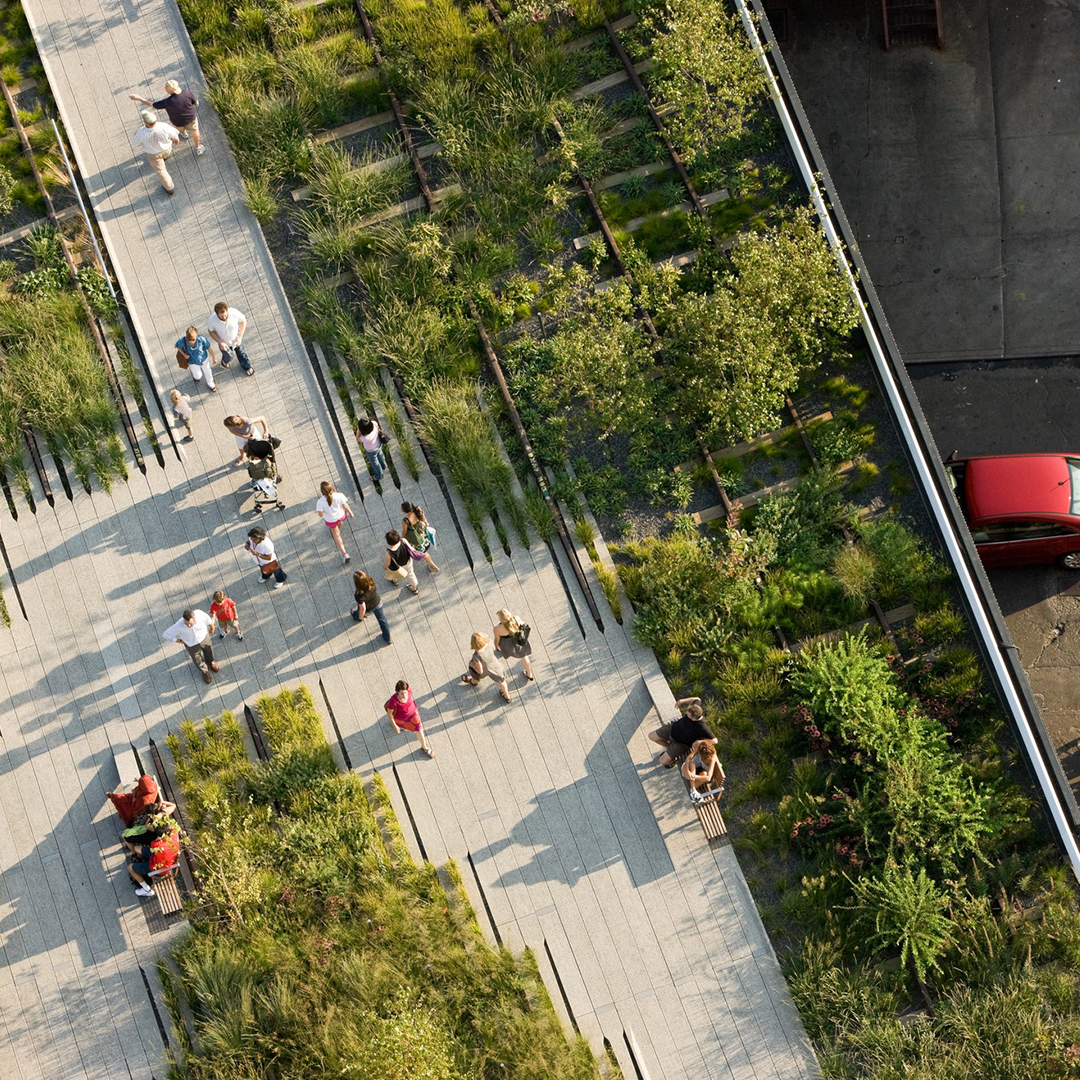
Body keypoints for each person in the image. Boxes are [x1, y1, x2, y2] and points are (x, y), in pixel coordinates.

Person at [129, 79, 204, 154]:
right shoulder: (187, 92)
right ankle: (198, 147)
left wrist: (139, 98)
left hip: (177, 122)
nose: (164, 88)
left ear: (170, 90)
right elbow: (196, 103)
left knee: (180, 129)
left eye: (166, 87)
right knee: (195, 131)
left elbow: (152, 104)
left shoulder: (167, 102)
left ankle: (184, 134)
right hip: (191, 119)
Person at [648, 696, 715, 768]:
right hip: (671, 729)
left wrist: (700, 742)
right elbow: (697, 699)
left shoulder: (702, 727)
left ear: (694, 719)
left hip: (680, 744)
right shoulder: (696, 708)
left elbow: (714, 740)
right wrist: (682, 701)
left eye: (688, 715)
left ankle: (674, 760)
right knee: (651, 736)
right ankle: (668, 747)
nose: (686, 714)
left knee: (662, 761)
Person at [127, 818, 181, 897]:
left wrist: (148, 828)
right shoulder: (174, 834)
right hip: (165, 859)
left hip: (157, 868)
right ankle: (142, 865)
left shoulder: (157, 845)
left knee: (129, 867)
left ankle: (146, 889)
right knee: (136, 848)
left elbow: (153, 845)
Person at [161, 608, 218, 684]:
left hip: (204, 637)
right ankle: (205, 671)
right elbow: (166, 634)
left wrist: (212, 627)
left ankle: (211, 662)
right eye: (186, 623)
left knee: (209, 650)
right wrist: (178, 641)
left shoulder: (199, 614)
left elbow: (207, 619)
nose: (189, 625)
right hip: (191, 644)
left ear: (194, 618)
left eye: (191, 623)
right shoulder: (179, 625)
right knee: (197, 659)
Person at [131, 110, 180, 195]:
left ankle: (169, 188)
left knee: (161, 171)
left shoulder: (141, 132)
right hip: (166, 149)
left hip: (153, 154)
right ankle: (165, 157)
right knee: (166, 155)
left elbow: (134, 144)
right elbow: (176, 138)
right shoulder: (163, 126)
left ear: (145, 122)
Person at [384, 679, 433, 757]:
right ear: (397, 692)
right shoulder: (393, 701)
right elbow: (390, 714)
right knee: (401, 726)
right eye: (402, 693)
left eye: (406, 692)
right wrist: (395, 726)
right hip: (401, 719)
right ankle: (399, 726)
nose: (404, 696)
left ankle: (425, 747)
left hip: (413, 714)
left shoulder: (409, 689)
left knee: (419, 729)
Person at [461, 631, 512, 703]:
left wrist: (472, 665)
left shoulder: (476, 656)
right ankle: (507, 696)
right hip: (495, 666)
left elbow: (480, 671)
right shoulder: (490, 642)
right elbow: (494, 648)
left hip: (485, 669)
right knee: (502, 681)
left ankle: (473, 682)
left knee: (476, 675)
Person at [208, 302, 254, 376]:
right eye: (221, 317)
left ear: (227, 311)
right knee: (228, 357)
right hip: (224, 344)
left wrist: (240, 336)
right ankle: (224, 362)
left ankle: (247, 367)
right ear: (217, 314)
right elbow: (211, 331)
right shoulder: (212, 320)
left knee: (241, 353)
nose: (224, 318)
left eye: (225, 315)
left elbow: (243, 321)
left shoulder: (234, 312)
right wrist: (220, 342)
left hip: (236, 341)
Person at [316, 481, 354, 564]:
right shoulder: (339, 495)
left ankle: (344, 553)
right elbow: (345, 505)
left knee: (336, 535)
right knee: (339, 522)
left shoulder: (320, 502)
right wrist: (350, 512)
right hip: (341, 515)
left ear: (322, 492)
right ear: (332, 488)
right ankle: (338, 528)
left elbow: (320, 515)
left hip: (331, 520)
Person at [492, 608, 534, 681]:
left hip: (508, 644)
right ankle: (529, 674)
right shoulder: (516, 619)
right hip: (519, 641)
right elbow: (523, 624)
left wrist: (496, 647)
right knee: (524, 656)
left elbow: (497, 639)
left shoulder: (497, 628)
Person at [352, 570, 391, 644]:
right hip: (377, 602)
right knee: (382, 620)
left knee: (358, 611)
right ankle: (387, 638)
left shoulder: (359, 595)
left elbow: (363, 608)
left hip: (368, 607)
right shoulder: (371, 582)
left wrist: (361, 616)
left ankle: (356, 616)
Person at [175, 325, 217, 391]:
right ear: (186, 337)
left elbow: (209, 347)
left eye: (193, 339)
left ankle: (210, 383)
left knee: (208, 372)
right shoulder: (182, 341)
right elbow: (177, 346)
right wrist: (184, 354)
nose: (191, 341)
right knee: (197, 375)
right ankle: (196, 378)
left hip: (204, 359)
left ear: (197, 336)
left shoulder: (201, 339)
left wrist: (213, 357)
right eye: (189, 339)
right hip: (192, 362)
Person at [401, 501, 439, 573]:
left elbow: (404, 532)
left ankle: (433, 566)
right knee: (424, 551)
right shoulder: (418, 509)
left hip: (417, 541)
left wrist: (402, 540)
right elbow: (425, 521)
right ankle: (432, 565)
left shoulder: (406, 521)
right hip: (424, 536)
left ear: (404, 511)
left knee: (424, 554)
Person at [383, 529, 418, 594]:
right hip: (408, 562)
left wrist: (385, 567)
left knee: (395, 573)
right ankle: (414, 589)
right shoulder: (403, 540)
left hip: (398, 566)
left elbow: (387, 562)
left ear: (388, 542)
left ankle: (395, 581)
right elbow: (411, 548)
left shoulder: (388, 552)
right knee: (411, 574)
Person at [356, 417, 386, 481]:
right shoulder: (374, 424)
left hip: (371, 451)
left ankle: (379, 475)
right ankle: (383, 466)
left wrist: (358, 431)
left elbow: (358, 439)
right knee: (380, 455)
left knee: (374, 462)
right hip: (378, 444)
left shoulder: (366, 438)